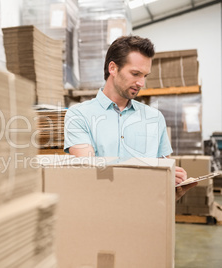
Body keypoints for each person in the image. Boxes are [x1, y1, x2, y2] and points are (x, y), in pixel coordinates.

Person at [64, 35, 196, 200]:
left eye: (145, 76)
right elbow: (90, 175)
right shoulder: (78, 115)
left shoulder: (155, 118)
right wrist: (151, 176)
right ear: (113, 68)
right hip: (98, 215)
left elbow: (164, 177)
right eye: (135, 74)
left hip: (147, 216)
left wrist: (173, 185)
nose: (141, 83)